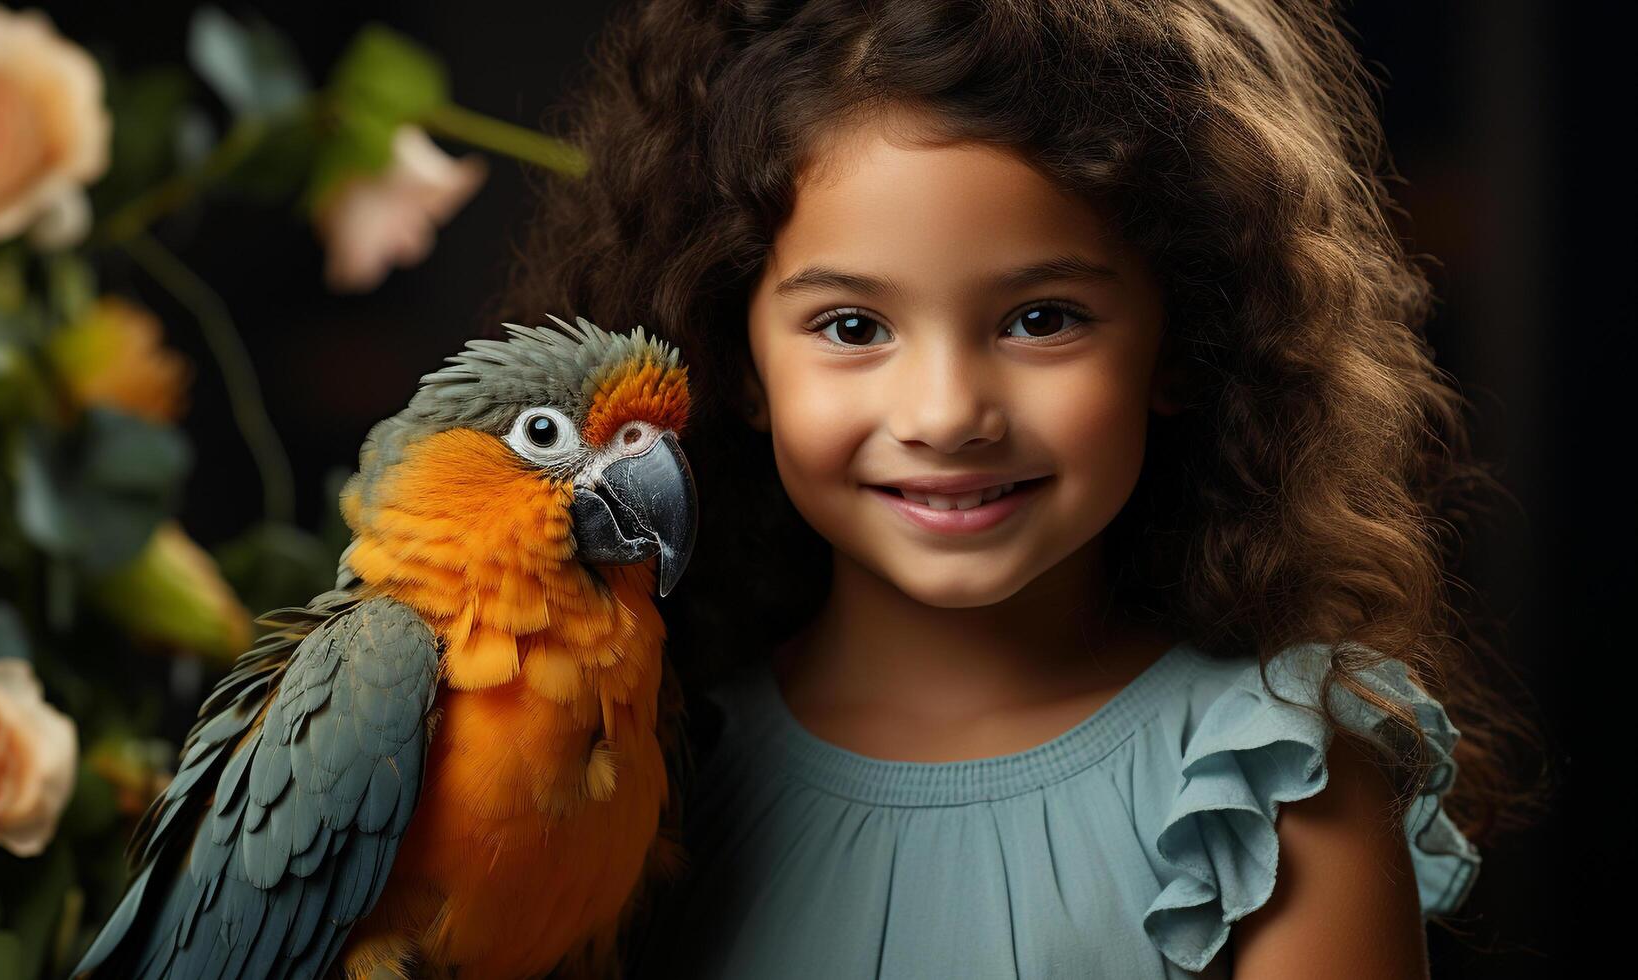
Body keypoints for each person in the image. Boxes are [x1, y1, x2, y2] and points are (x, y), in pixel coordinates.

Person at [491, 1, 1542, 976]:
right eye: (852, 327)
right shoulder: (633, 776)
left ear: (1183, 338)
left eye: (1041, 318)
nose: (946, 413)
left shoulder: (1275, 791)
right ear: (737, 360)